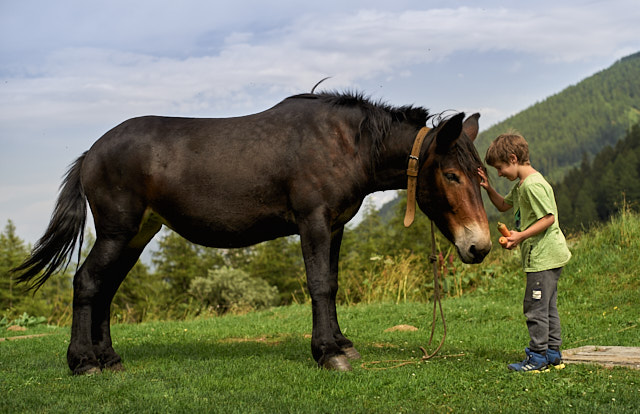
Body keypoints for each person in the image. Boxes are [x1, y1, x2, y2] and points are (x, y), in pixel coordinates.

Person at [477, 131, 571, 372]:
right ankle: (552, 352)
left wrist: (520, 235)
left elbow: (548, 218)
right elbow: (503, 205)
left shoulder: (532, 186)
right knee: (548, 307)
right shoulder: (521, 186)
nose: (499, 173)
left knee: (535, 307)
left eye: (500, 168)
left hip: (544, 257)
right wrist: (488, 188)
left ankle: (538, 357)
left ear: (513, 158)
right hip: (545, 256)